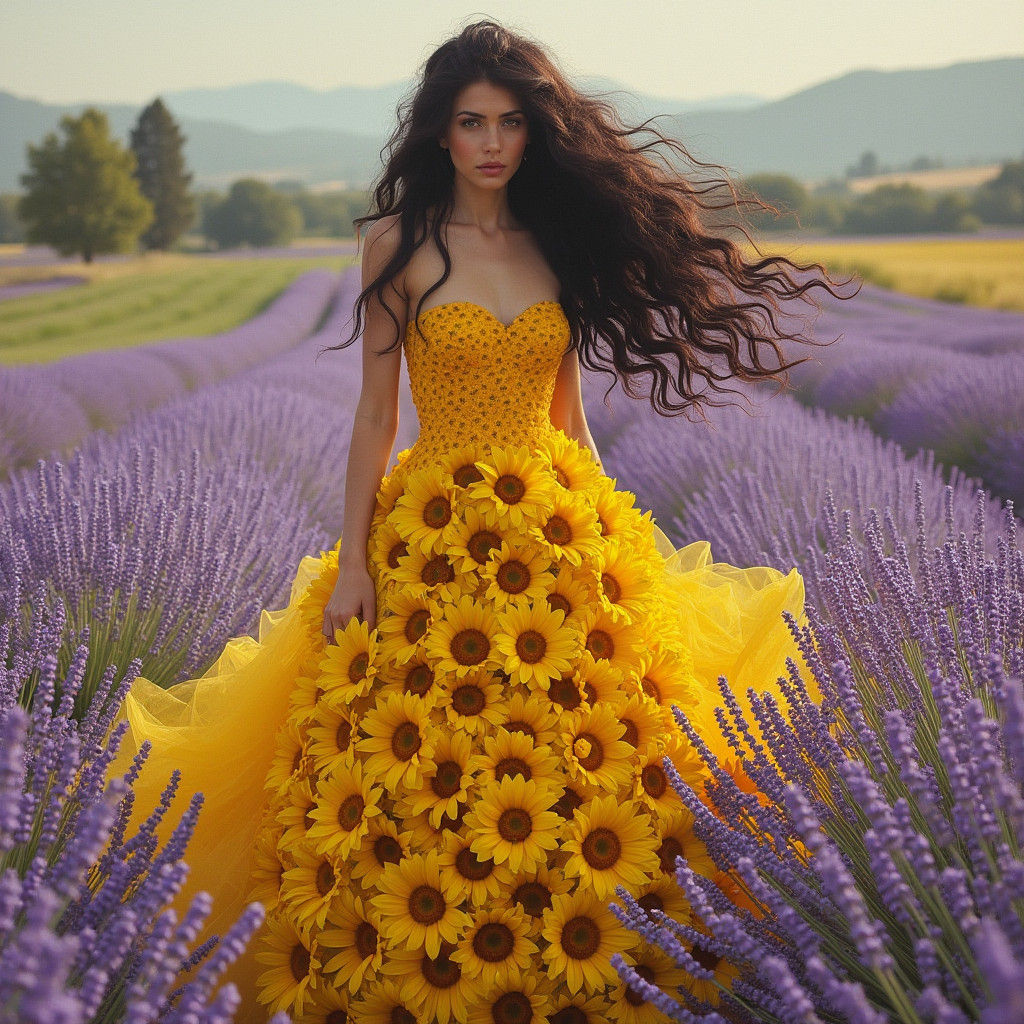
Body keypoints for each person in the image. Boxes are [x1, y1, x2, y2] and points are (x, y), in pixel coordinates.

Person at [113, 19, 853, 1024]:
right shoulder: (399, 245)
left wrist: (617, 535)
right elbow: (374, 417)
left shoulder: (556, 241)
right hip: (434, 539)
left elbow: (570, 417)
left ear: (535, 130)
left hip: (555, 530)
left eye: (509, 121)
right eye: (472, 122)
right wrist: (357, 563)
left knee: (599, 762)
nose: (493, 142)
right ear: (440, 132)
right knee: (413, 764)